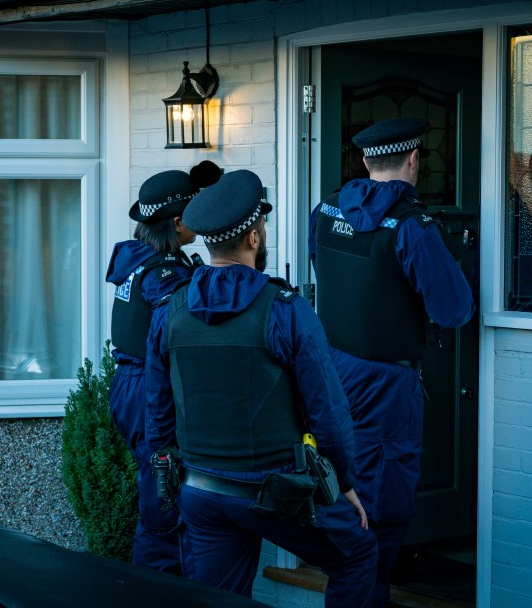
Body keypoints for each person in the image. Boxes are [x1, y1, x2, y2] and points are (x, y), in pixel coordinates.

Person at [145, 169, 378, 607]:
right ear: (254, 237)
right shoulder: (286, 310)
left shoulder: (168, 311)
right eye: (262, 227)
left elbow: (156, 417)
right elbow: (328, 414)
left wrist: (170, 487)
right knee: (359, 555)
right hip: (276, 495)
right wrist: (345, 485)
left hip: (200, 491)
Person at [308, 117, 475, 607]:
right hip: (386, 385)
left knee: (340, 485)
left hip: (333, 371)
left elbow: (328, 273)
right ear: (414, 160)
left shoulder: (324, 210)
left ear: (364, 161)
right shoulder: (412, 226)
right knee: (382, 508)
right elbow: (454, 309)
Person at [106, 162, 220, 573]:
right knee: (162, 499)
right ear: (176, 222)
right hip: (148, 389)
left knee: (158, 486)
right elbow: (184, 331)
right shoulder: (163, 274)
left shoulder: (136, 258)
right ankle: (156, 587)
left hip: (129, 385)